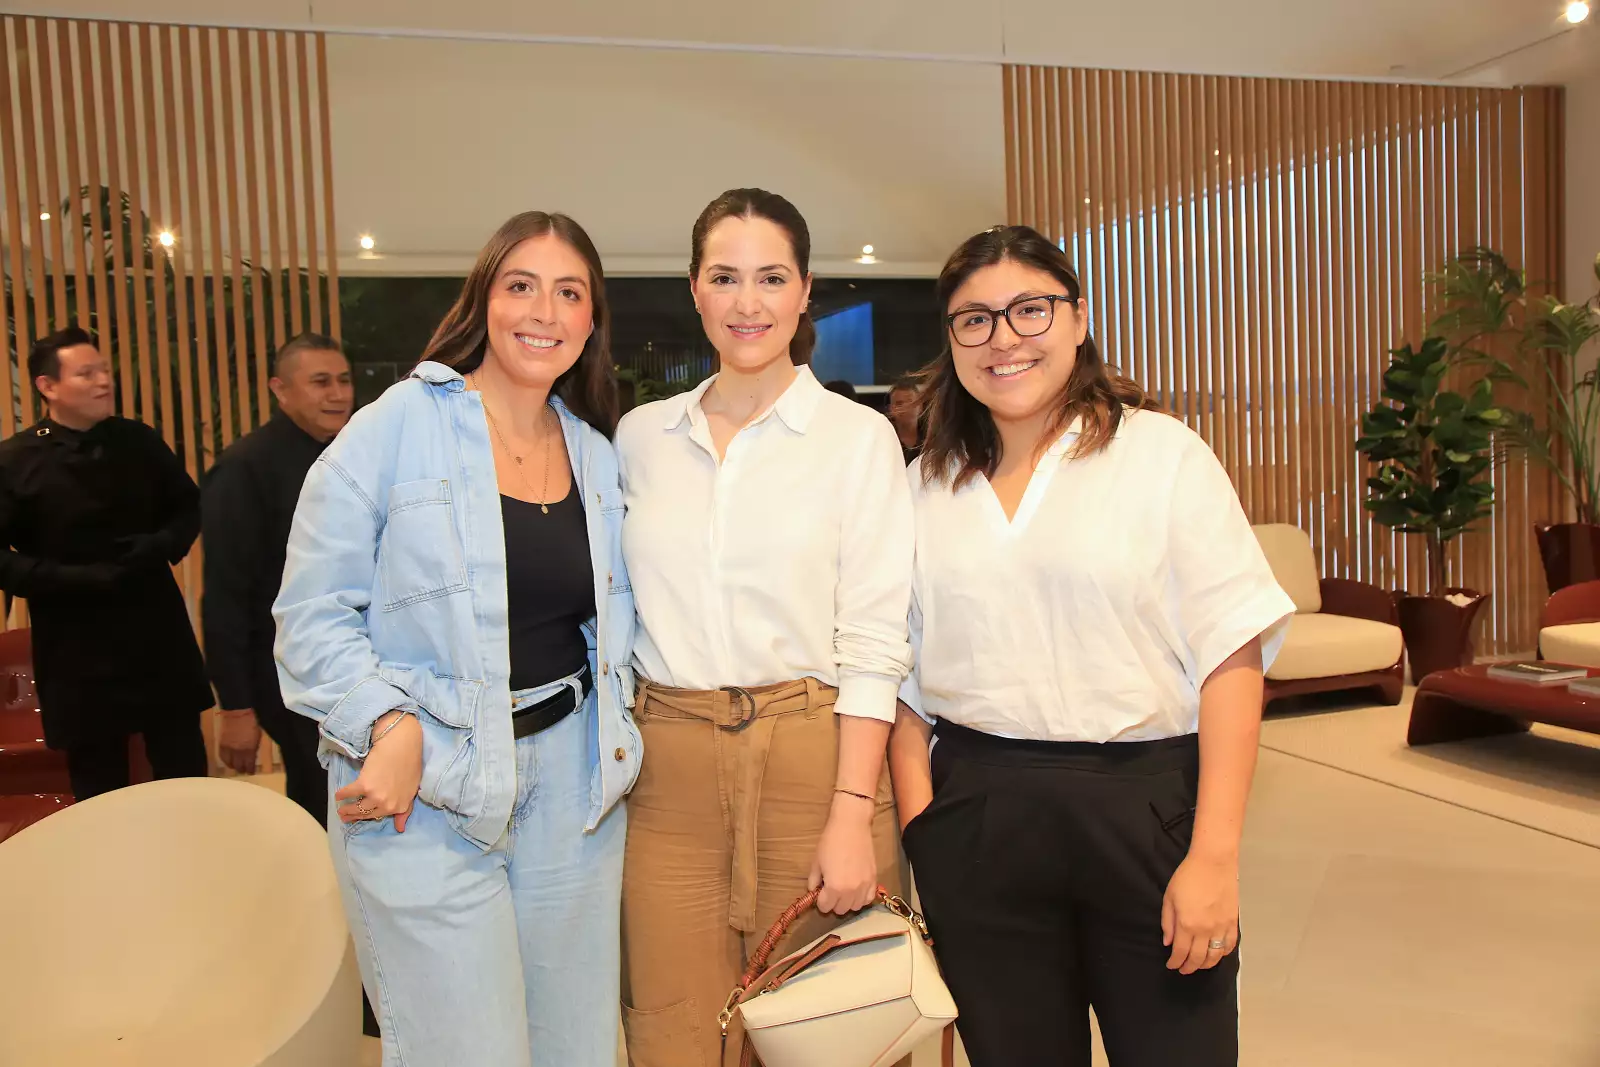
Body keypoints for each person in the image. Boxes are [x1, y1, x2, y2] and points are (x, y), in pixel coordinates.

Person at [887, 225, 1295, 1067]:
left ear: (1078, 319)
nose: (1004, 338)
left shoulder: (1161, 456)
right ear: (951, 341)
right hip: (980, 811)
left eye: (1029, 309)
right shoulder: (928, 482)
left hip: (1140, 807)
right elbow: (898, 673)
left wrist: (1215, 853)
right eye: (974, 319)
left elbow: (1230, 657)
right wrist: (927, 826)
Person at [272, 212, 640, 1067]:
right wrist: (384, 723)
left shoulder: (595, 452)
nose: (543, 310)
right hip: (425, 784)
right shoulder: (398, 423)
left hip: (573, 789)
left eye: (569, 292)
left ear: (591, 322)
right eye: (521, 285)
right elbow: (310, 612)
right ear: (484, 299)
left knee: (575, 1050)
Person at [615, 188, 914, 1067]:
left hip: (813, 759)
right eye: (725, 277)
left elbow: (874, 640)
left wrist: (853, 813)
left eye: (771, 277)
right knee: (673, 1029)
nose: (748, 301)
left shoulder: (856, 440)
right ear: (696, 293)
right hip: (667, 770)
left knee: (834, 1034)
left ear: (804, 291)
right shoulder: (641, 438)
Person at [0, 327, 211, 799]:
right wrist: (64, 578)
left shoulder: (138, 441)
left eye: (104, 371)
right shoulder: (16, 460)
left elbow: (186, 508)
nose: (103, 382)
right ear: (47, 387)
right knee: (99, 785)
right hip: (75, 644)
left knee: (185, 769)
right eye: (86, 373)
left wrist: (159, 545)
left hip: (155, 629)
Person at [202, 332, 354, 819]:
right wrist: (237, 708)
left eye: (344, 380)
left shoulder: (354, 455)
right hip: (288, 672)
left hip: (354, 660)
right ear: (280, 390)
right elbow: (226, 595)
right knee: (320, 801)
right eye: (320, 382)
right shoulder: (245, 468)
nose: (337, 394)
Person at [887, 374, 923, 463]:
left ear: (920, 407)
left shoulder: (934, 439)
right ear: (891, 409)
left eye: (911, 402)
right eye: (899, 403)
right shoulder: (883, 438)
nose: (906, 407)